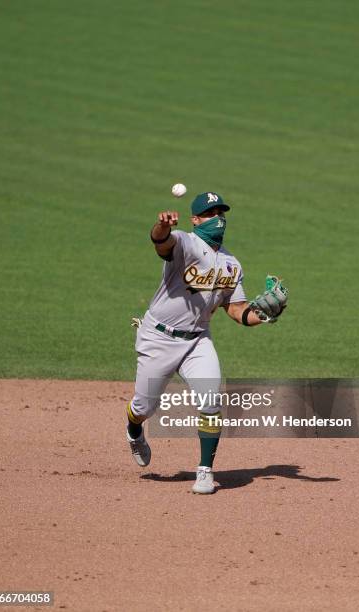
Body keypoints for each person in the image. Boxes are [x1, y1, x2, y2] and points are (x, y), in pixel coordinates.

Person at [126, 192, 288, 494]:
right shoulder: (185, 243)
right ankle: (134, 430)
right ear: (196, 220)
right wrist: (161, 225)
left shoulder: (232, 264)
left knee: (211, 400)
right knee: (144, 407)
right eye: (210, 213)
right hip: (158, 337)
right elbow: (160, 241)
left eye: (221, 212)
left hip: (198, 341)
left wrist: (264, 315)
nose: (218, 218)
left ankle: (205, 472)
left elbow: (237, 311)